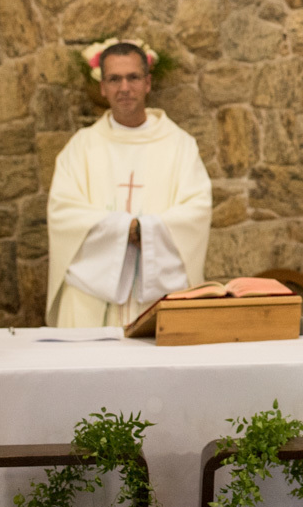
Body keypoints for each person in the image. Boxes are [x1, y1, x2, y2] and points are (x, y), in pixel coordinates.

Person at [46, 41, 212, 327]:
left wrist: (147, 230)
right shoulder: (81, 148)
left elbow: (196, 210)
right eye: (114, 79)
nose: (124, 88)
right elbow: (63, 212)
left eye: (133, 77)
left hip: (159, 300)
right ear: (102, 87)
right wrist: (126, 228)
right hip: (90, 300)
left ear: (147, 83)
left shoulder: (180, 146)